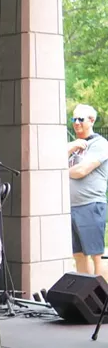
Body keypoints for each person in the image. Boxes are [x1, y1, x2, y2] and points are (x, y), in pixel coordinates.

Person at [67, 104, 108, 276]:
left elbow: (81, 170)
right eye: (74, 119)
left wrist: (57, 173)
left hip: (90, 205)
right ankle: (88, 300)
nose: (76, 123)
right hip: (71, 207)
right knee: (78, 256)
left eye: (80, 119)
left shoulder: (100, 144)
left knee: (96, 255)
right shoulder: (73, 146)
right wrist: (71, 146)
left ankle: (104, 300)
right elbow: (50, 162)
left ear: (91, 121)